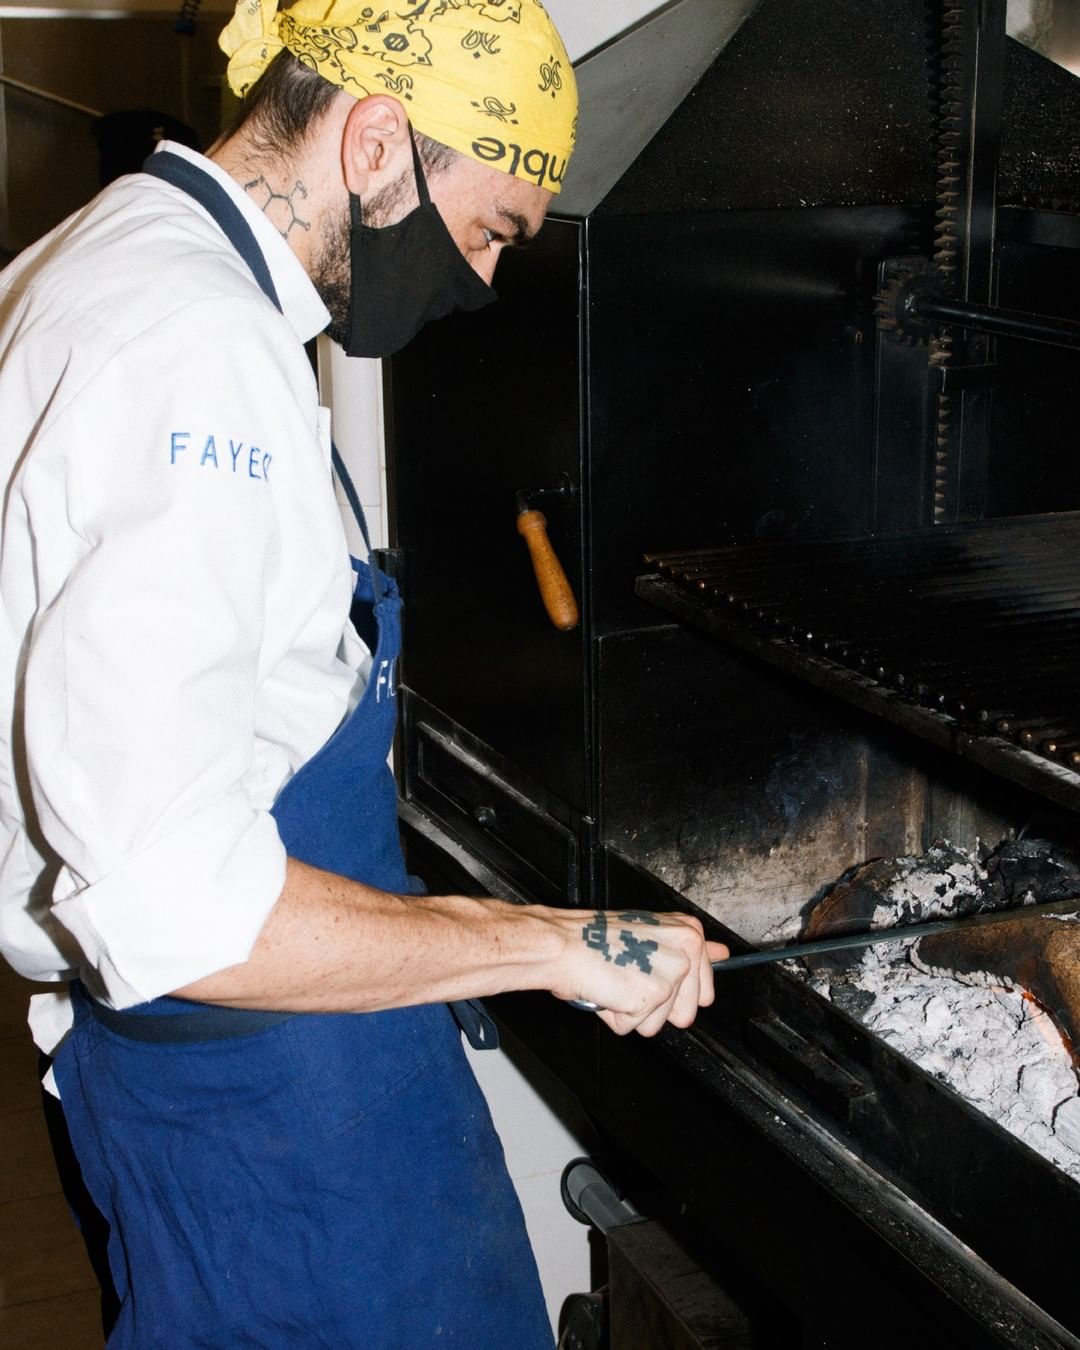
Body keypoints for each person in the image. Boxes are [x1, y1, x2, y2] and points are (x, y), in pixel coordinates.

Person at [0, 1, 728, 1345]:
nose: (487, 282)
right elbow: (177, 905)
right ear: (380, 141)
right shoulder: (192, 352)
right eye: (491, 229)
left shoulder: (146, 266)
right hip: (250, 1102)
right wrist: (562, 946)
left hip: (278, 1058)